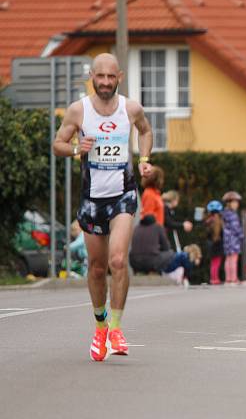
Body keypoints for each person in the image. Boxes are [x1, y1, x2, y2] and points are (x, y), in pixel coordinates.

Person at [52, 52, 153, 362]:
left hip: (124, 193)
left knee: (118, 260)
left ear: (119, 77)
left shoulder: (131, 108)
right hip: (92, 199)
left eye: (111, 77)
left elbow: (146, 131)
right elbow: (57, 144)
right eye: (101, 77)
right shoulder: (77, 111)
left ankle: (117, 328)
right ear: (92, 78)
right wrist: (74, 149)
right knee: (97, 268)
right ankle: (100, 326)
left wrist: (145, 160)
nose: (106, 82)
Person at [129, 214, 199, 285]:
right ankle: (185, 279)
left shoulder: (137, 228)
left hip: (134, 262)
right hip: (151, 262)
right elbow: (166, 247)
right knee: (175, 254)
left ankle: (143, 272)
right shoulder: (157, 227)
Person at [222, 191, 244, 284]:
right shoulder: (233, 215)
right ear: (229, 203)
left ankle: (228, 278)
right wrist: (242, 236)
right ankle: (234, 278)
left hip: (227, 240)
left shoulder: (224, 214)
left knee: (228, 259)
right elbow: (236, 228)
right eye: (235, 202)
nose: (237, 204)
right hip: (234, 240)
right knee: (234, 259)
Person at [205, 200, 224, 285]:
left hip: (210, 244)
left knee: (213, 263)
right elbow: (223, 233)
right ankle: (215, 279)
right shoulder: (219, 221)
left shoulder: (208, 221)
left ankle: (213, 278)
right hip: (217, 244)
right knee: (217, 263)